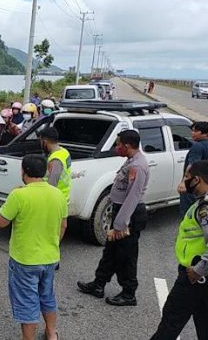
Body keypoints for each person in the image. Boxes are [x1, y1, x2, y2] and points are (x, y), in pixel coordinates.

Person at [0, 154, 68, 340]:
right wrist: (53, 244)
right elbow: (63, 225)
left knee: (27, 302)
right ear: (45, 171)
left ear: (24, 171)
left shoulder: (19, 194)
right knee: (47, 296)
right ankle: (52, 333)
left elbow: (1, 221)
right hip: (50, 257)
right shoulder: (57, 193)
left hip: (25, 259)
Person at [78, 130, 149, 306]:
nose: (116, 148)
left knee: (126, 256)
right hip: (121, 212)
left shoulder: (137, 166)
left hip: (129, 215)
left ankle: (128, 293)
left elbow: (132, 197)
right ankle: (98, 284)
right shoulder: (131, 161)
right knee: (110, 252)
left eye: (118, 145)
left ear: (127, 146)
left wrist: (120, 224)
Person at [150, 160, 208, 340]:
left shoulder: (205, 209)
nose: (184, 182)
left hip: (195, 276)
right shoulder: (201, 204)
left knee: (171, 321)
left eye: (187, 178)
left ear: (197, 180)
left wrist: (199, 269)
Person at [177, 121, 208, 216]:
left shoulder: (197, 146)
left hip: (193, 185)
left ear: (205, 133)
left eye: (196, 131)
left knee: (187, 212)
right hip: (205, 185)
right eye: (192, 131)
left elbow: (192, 165)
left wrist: (184, 182)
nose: (192, 133)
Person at [40, 127, 72, 205]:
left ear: (45, 142)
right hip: (63, 196)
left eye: (40, 141)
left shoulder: (56, 160)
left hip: (55, 201)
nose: (40, 144)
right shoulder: (64, 151)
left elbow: (52, 185)